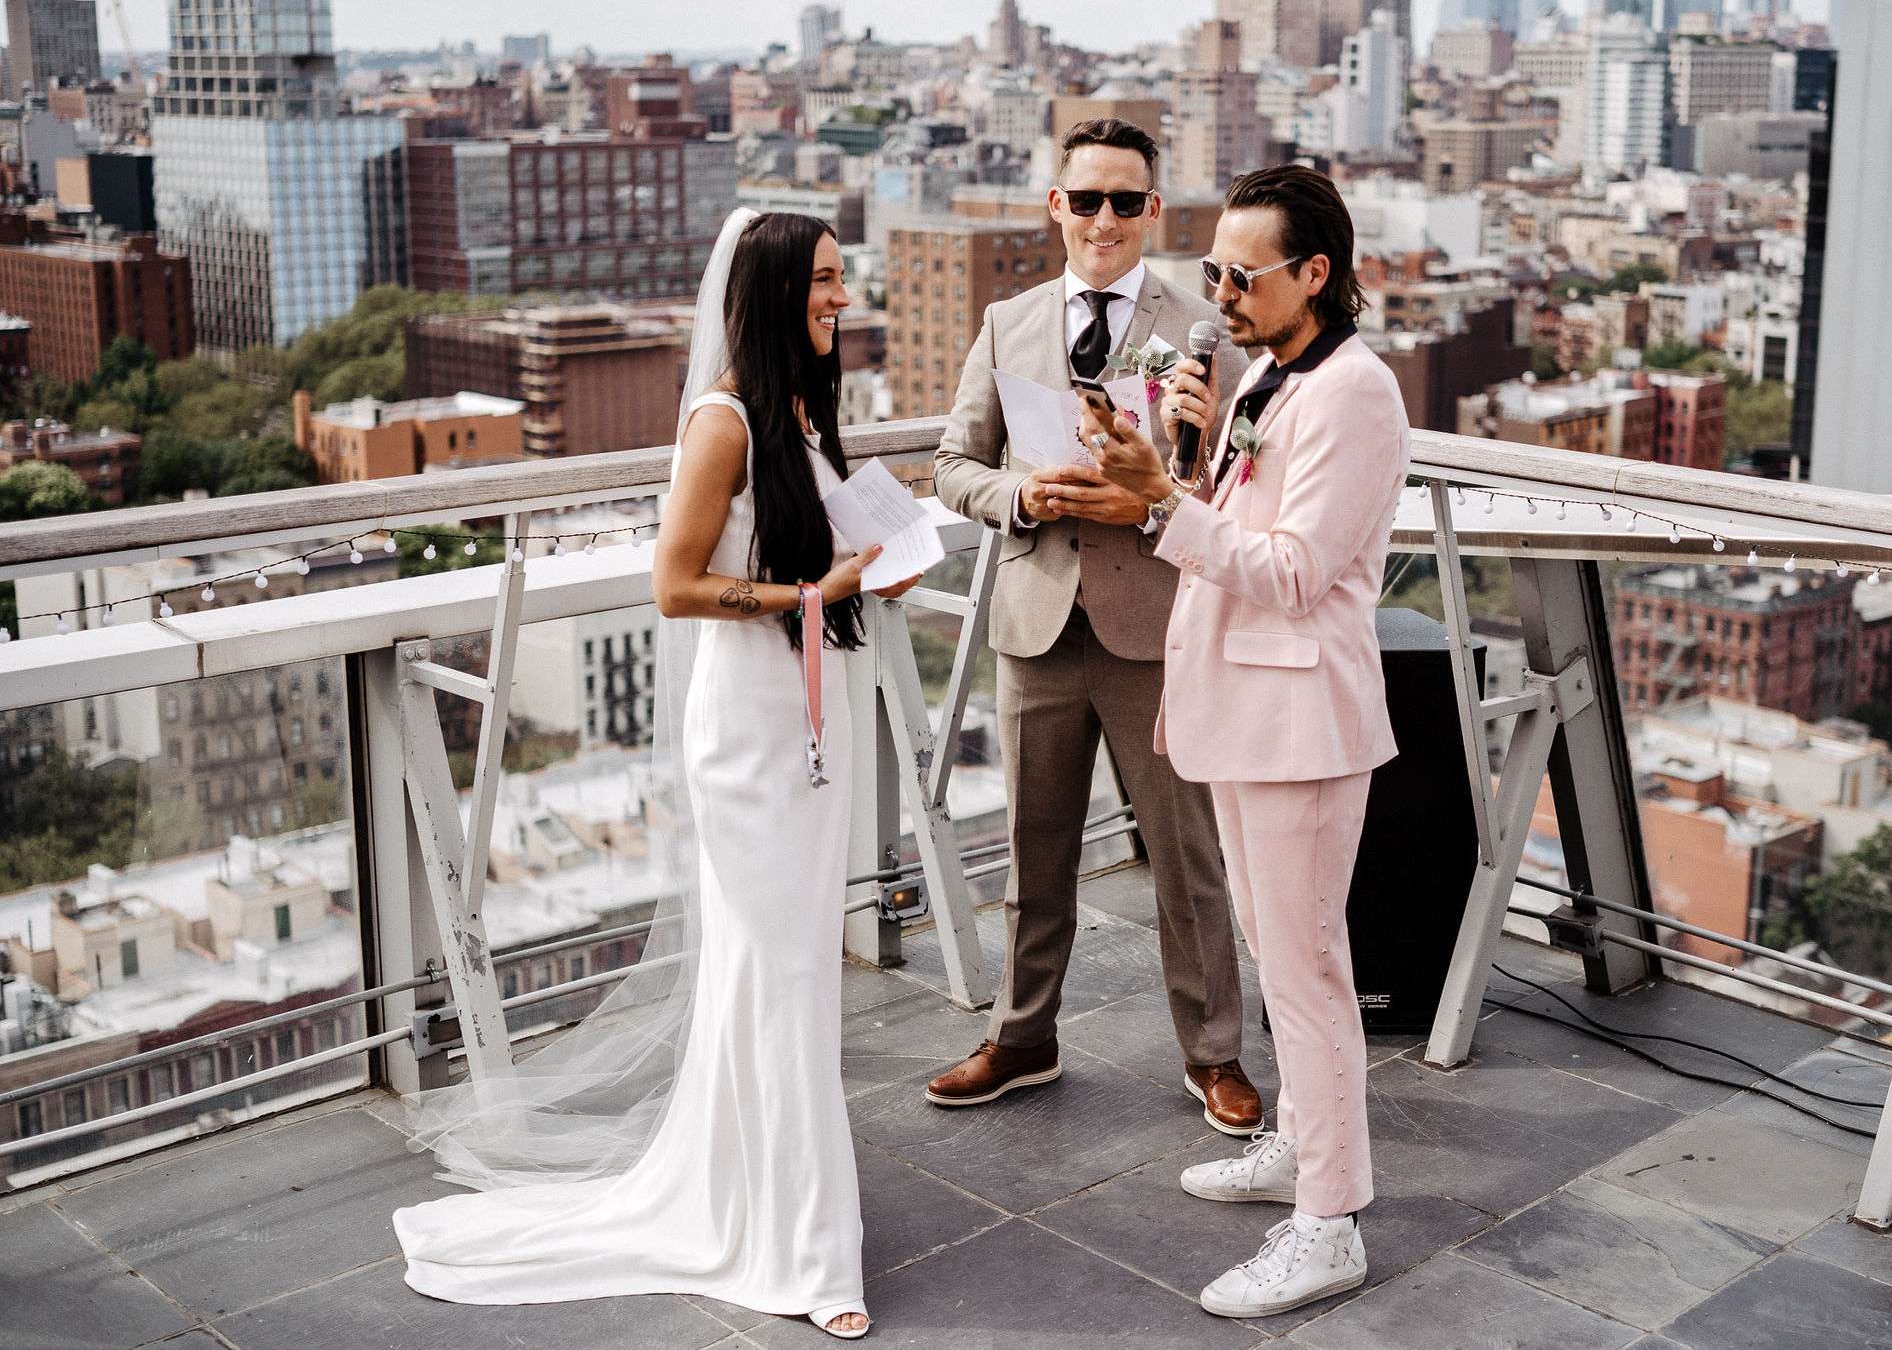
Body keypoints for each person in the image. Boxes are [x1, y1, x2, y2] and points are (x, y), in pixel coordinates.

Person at [391, 211, 919, 1342]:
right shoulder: (722, 420)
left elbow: (803, 552)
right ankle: (807, 1249)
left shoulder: (802, 408)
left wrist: (867, 571)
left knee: (778, 974)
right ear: (773, 292)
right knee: (781, 971)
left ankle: (753, 1189)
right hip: (749, 730)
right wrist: (811, 595)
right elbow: (672, 587)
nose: (843, 297)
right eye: (825, 281)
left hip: (809, 718)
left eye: (843, 278)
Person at [1088, 165, 1410, 1319]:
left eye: (1241, 274)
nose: (1218, 293)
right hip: (1243, 709)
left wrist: (1160, 506)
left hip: (1298, 723)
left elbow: (1294, 571)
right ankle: (1301, 1148)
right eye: (1212, 270)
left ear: (1314, 273)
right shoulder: (1269, 376)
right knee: (1279, 958)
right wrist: (1174, 464)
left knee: (1307, 970)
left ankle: (1328, 1222)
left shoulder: (1352, 393)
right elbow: (1234, 526)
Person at [926, 118, 1264, 1136]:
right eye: (1086, 200)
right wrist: (1023, 497)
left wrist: (1155, 495)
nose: (1104, 219)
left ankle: (1214, 1053)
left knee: (1186, 856)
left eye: (1125, 200)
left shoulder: (1202, 330)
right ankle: (1022, 1037)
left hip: (1154, 626)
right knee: (1033, 853)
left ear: (1153, 209)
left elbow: (1231, 485)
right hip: (1035, 619)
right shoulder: (1007, 322)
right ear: (1055, 207)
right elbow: (952, 467)